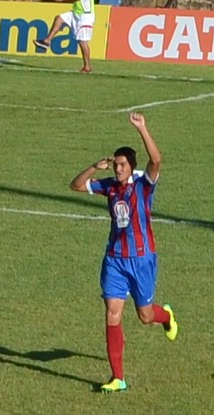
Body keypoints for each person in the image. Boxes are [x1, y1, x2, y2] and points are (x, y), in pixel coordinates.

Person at [69, 112, 178, 393]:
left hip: (141, 260)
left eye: (121, 165)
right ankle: (118, 377)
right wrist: (95, 166)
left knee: (144, 316)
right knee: (112, 313)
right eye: (115, 165)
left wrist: (143, 128)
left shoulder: (143, 185)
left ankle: (165, 316)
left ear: (131, 167)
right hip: (115, 260)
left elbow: (156, 160)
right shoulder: (109, 187)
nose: (117, 169)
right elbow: (77, 186)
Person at [33, 0, 95, 73]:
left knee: (83, 42)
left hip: (85, 16)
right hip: (76, 13)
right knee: (59, 18)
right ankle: (47, 41)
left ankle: (87, 67)